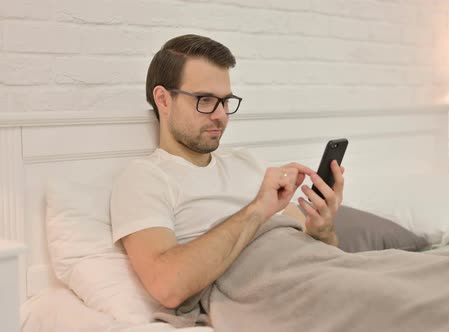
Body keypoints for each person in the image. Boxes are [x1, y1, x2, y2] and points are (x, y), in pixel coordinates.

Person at [110, 34, 345, 309]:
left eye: (225, 101)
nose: (221, 115)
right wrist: (258, 209)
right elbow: (167, 285)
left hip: (324, 274)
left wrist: (324, 229)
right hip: (277, 293)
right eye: (206, 100)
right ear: (163, 99)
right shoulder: (144, 178)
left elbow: (326, 254)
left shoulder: (246, 162)